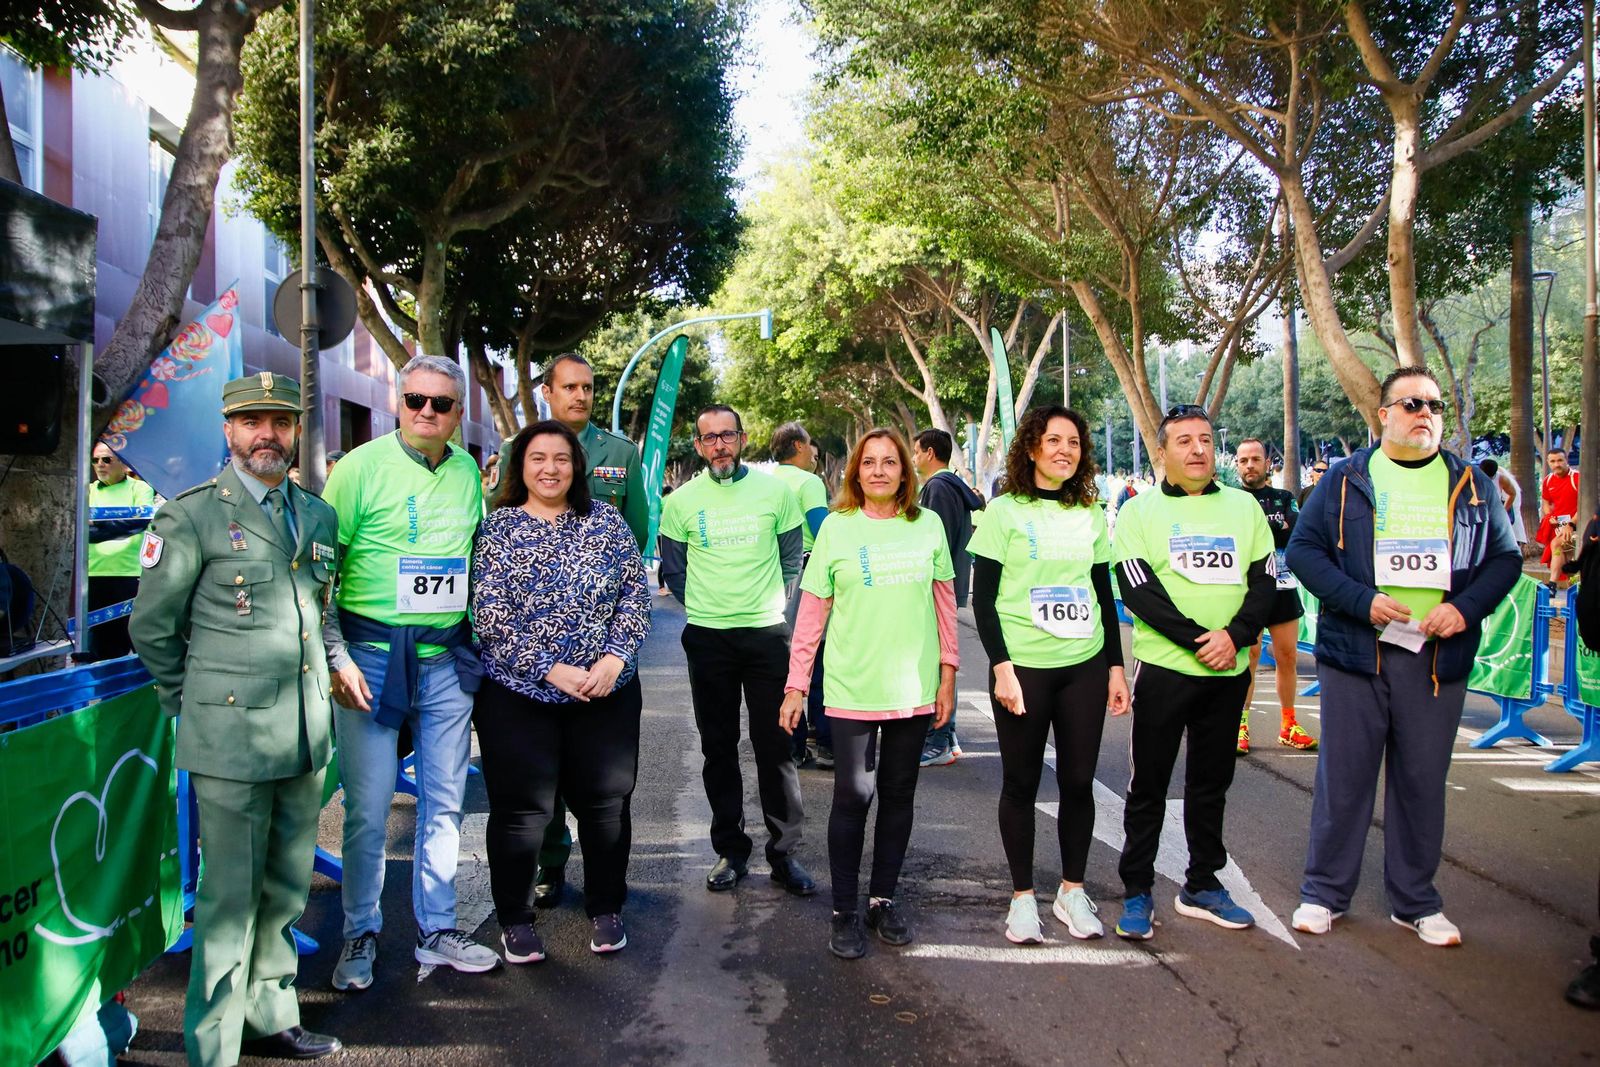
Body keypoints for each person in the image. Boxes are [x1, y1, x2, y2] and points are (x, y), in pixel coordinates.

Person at [129, 373, 342, 1065]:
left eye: (279, 421)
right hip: (231, 739)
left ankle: (270, 1012)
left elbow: (319, 611)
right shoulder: (190, 516)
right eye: (252, 421)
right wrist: (191, 702)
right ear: (228, 429)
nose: (266, 435)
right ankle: (214, 1044)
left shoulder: (316, 515)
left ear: (295, 430)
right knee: (227, 900)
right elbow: (152, 630)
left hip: (304, 730)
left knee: (284, 889)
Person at [1286, 367, 1519, 947]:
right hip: (1357, 654)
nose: (1425, 414)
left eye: (1435, 406)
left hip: (1437, 660)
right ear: (1384, 414)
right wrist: (1361, 601)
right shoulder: (1344, 479)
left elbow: (1505, 559)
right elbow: (1305, 551)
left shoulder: (1471, 483)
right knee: (1344, 779)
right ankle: (1323, 893)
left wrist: (1464, 610)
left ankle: (1416, 902)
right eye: (1412, 404)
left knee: (1421, 781)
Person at [323, 354, 500, 992]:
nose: (427, 411)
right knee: (368, 809)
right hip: (370, 662)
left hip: (446, 661)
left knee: (445, 803)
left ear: (458, 414)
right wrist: (336, 656)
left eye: (441, 403)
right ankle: (359, 933)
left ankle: (439, 929)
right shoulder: (357, 469)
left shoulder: (466, 473)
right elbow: (321, 572)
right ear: (397, 403)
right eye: (415, 400)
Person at [471, 420, 651, 961]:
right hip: (520, 695)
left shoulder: (607, 523)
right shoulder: (497, 530)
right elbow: (491, 617)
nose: (550, 469)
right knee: (521, 812)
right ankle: (516, 919)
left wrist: (615, 658)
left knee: (605, 806)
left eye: (561, 459)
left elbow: (635, 596)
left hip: (605, 691)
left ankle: (606, 908)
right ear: (519, 468)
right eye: (538, 459)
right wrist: (551, 669)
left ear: (577, 467)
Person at [781, 428, 957, 958]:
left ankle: (882, 899)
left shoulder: (928, 525)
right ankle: (844, 910)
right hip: (852, 686)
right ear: (855, 472)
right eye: (869, 462)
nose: (879, 470)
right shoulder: (837, 529)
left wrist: (948, 675)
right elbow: (811, 616)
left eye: (890, 462)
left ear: (905, 472)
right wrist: (796, 686)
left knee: (899, 796)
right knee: (853, 796)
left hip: (913, 687)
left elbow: (945, 606)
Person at [1111, 404, 1275, 940]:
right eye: (1183, 441)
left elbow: (1264, 583)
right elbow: (1138, 588)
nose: (1198, 449)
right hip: (1164, 670)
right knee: (1148, 784)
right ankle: (1137, 889)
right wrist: (1201, 641)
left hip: (1229, 673)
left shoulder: (1244, 508)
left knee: (1211, 785)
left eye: (1205, 439)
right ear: (1162, 452)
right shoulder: (1139, 512)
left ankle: (1202, 884)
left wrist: (1234, 637)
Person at [967, 407, 1129, 945]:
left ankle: (1072, 890)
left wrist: (1114, 668)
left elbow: (1102, 594)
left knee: (1079, 782)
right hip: (1025, 668)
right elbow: (983, 599)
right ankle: (1021, 897)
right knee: (1021, 783)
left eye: (1074, 442)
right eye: (1054, 440)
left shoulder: (1090, 513)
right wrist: (1002, 667)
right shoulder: (1003, 512)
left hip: (1083, 665)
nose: (1065, 450)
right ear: (1032, 447)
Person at [499, 352, 650, 909]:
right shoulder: (520, 448)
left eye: (588, 387)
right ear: (548, 392)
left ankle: (605, 884)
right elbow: (502, 523)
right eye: (570, 387)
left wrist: (614, 646)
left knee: (602, 783)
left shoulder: (620, 453)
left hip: (602, 647)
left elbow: (634, 536)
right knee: (543, 779)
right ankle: (552, 859)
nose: (581, 396)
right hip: (538, 661)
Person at [658, 404, 813, 896]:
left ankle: (784, 855)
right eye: (710, 438)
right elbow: (673, 567)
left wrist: (773, 602)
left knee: (776, 748)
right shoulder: (681, 502)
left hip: (767, 636)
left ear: (742, 439)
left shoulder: (776, 493)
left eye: (728, 435)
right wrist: (707, 606)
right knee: (718, 748)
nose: (720, 445)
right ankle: (731, 850)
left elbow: (791, 557)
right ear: (699, 446)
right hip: (709, 639)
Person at [1233, 438, 1318, 755]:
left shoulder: (1284, 497)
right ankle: (1240, 724)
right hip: (1247, 591)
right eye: (1243, 460)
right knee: (1250, 657)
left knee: (1287, 656)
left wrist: (1273, 530)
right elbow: (1238, 539)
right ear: (1237, 465)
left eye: (1255, 459)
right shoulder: (1231, 500)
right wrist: (1274, 528)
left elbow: (1294, 532)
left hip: (1282, 587)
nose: (1250, 465)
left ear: (1267, 463)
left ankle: (1288, 725)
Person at [913, 427, 985, 768]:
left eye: (916, 451)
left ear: (930, 453)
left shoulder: (938, 487)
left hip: (937, 583)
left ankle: (939, 738)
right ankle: (946, 734)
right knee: (942, 658)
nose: (913, 458)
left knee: (939, 661)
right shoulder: (950, 485)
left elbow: (932, 541)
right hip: (948, 581)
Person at [769, 420, 834, 770]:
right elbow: (823, 531)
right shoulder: (809, 482)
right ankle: (826, 741)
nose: (813, 453)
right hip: (807, 576)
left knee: (785, 660)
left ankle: (793, 744)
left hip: (772, 579)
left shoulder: (765, 482)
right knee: (819, 657)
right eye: (810, 445)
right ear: (797, 445)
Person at [84, 442, 158, 662]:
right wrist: (111, 527)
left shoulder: (140, 488)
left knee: (140, 644)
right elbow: (82, 531)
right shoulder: (87, 490)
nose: (100, 464)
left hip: (130, 575)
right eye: (95, 460)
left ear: (124, 464)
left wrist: (98, 525)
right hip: (94, 575)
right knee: (103, 649)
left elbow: (138, 523)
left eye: (106, 459)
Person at [1536, 447, 1580, 581]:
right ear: (1548, 462)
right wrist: (1550, 517)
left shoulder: (1576, 477)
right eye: (1553, 461)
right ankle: (1569, 586)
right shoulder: (1548, 480)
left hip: (1577, 524)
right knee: (1564, 555)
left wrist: (1571, 524)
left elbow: (1584, 505)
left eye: (1560, 460)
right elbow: (1546, 503)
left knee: (1557, 545)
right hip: (1559, 525)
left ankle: (1552, 584)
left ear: (1566, 460)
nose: (1557, 464)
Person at [1478, 458, 1527, 548]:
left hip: (1495, 513)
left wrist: (1503, 510)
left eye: (1491, 477)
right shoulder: (1474, 477)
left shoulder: (1502, 478)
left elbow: (1512, 494)